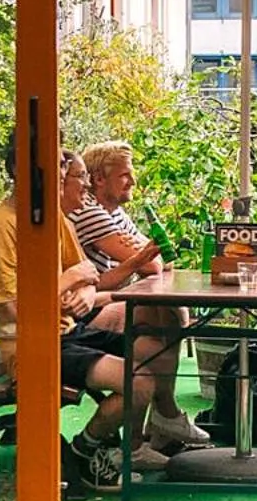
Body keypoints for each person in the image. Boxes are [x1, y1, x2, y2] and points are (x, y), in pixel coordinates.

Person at [0, 145, 184, 493]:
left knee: (154, 348)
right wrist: (68, 282)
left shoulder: (50, 217)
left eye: (63, 167)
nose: (65, 174)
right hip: (33, 345)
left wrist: (82, 290)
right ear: (20, 170)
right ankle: (85, 452)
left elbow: (89, 275)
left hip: (70, 330)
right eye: (57, 167)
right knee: (141, 382)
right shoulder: (4, 226)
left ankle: (129, 445)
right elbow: (15, 310)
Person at [67, 139, 211, 449]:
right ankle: (153, 427)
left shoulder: (116, 213)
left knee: (167, 314)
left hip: (103, 300)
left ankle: (151, 431)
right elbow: (152, 265)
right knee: (153, 323)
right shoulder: (91, 213)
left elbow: (158, 259)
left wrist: (147, 259)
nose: (133, 181)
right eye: (125, 175)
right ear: (98, 179)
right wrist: (144, 260)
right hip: (83, 314)